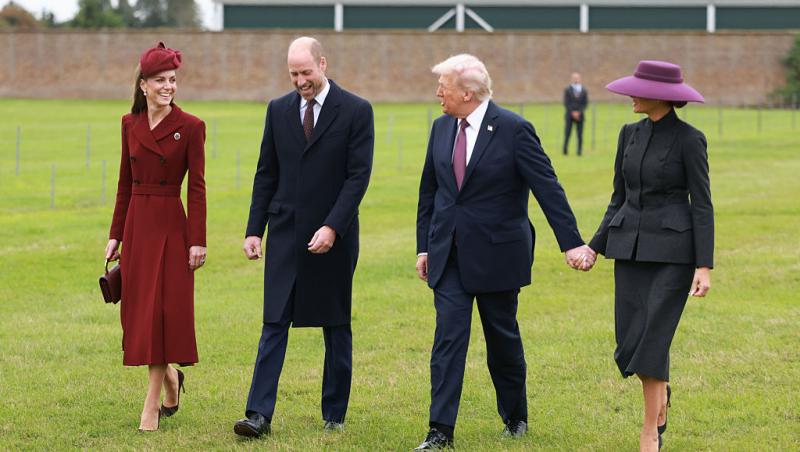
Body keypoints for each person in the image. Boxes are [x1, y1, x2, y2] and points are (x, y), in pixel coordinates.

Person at [413, 54, 594, 449]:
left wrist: (572, 242)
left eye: (442, 86)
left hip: (498, 256)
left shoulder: (514, 130)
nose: (437, 93)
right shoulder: (440, 128)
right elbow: (430, 192)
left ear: (467, 92)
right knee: (448, 341)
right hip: (449, 256)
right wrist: (423, 247)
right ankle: (439, 430)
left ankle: (515, 417)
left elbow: (547, 187)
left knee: (502, 340)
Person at [234, 37, 374, 438]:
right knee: (273, 321)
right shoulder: (278, 110)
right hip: (284, 232)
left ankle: (334, 412)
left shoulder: (356, 111)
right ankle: (258, 415)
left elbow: (357, 177)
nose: (300, 82)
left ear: (323, 64)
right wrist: (253, 230)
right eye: (294, 74)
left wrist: (333, 226)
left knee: (335, 322)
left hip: (336, 234)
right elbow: (266, 172)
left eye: (306, 73)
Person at [587, 60, 714, 452]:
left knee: (653, 341)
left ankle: (648, 432)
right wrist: (594, 245)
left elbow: (702, 205)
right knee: (629, 343)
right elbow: (617, 199)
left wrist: (704, 266)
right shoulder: (628, 135)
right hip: (628, 248)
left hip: (674, 255)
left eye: (637, 89)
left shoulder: (691, 140)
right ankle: (661, 395)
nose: (630, 95)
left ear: (660, 96)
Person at [105, 42, 207, 432]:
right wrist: (115, 234)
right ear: (143, 84)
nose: (169, 87)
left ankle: (150, 408)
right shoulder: (128, 124)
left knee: (162, 315)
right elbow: (123, 184)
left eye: (173, 80)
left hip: (171, 226)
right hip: (136, 225)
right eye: (161, 80)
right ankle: (171, 379)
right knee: (138, 315)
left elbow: (196, 187)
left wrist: (197, 239)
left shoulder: (191, 127)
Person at [563, 72, 588, 156]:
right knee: (567, 133)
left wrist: (579, 112)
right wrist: (572, 112)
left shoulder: (584, 90)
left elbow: (585, 103)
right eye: (574, 78)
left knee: (580, 134)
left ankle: (579, 151)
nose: (576, 79)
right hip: (569, 115)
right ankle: (565, 150)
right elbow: (566, 102)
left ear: (580, 79)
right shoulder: (567, 90)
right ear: (572, 79)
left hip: (580, 115)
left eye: (577, 78)